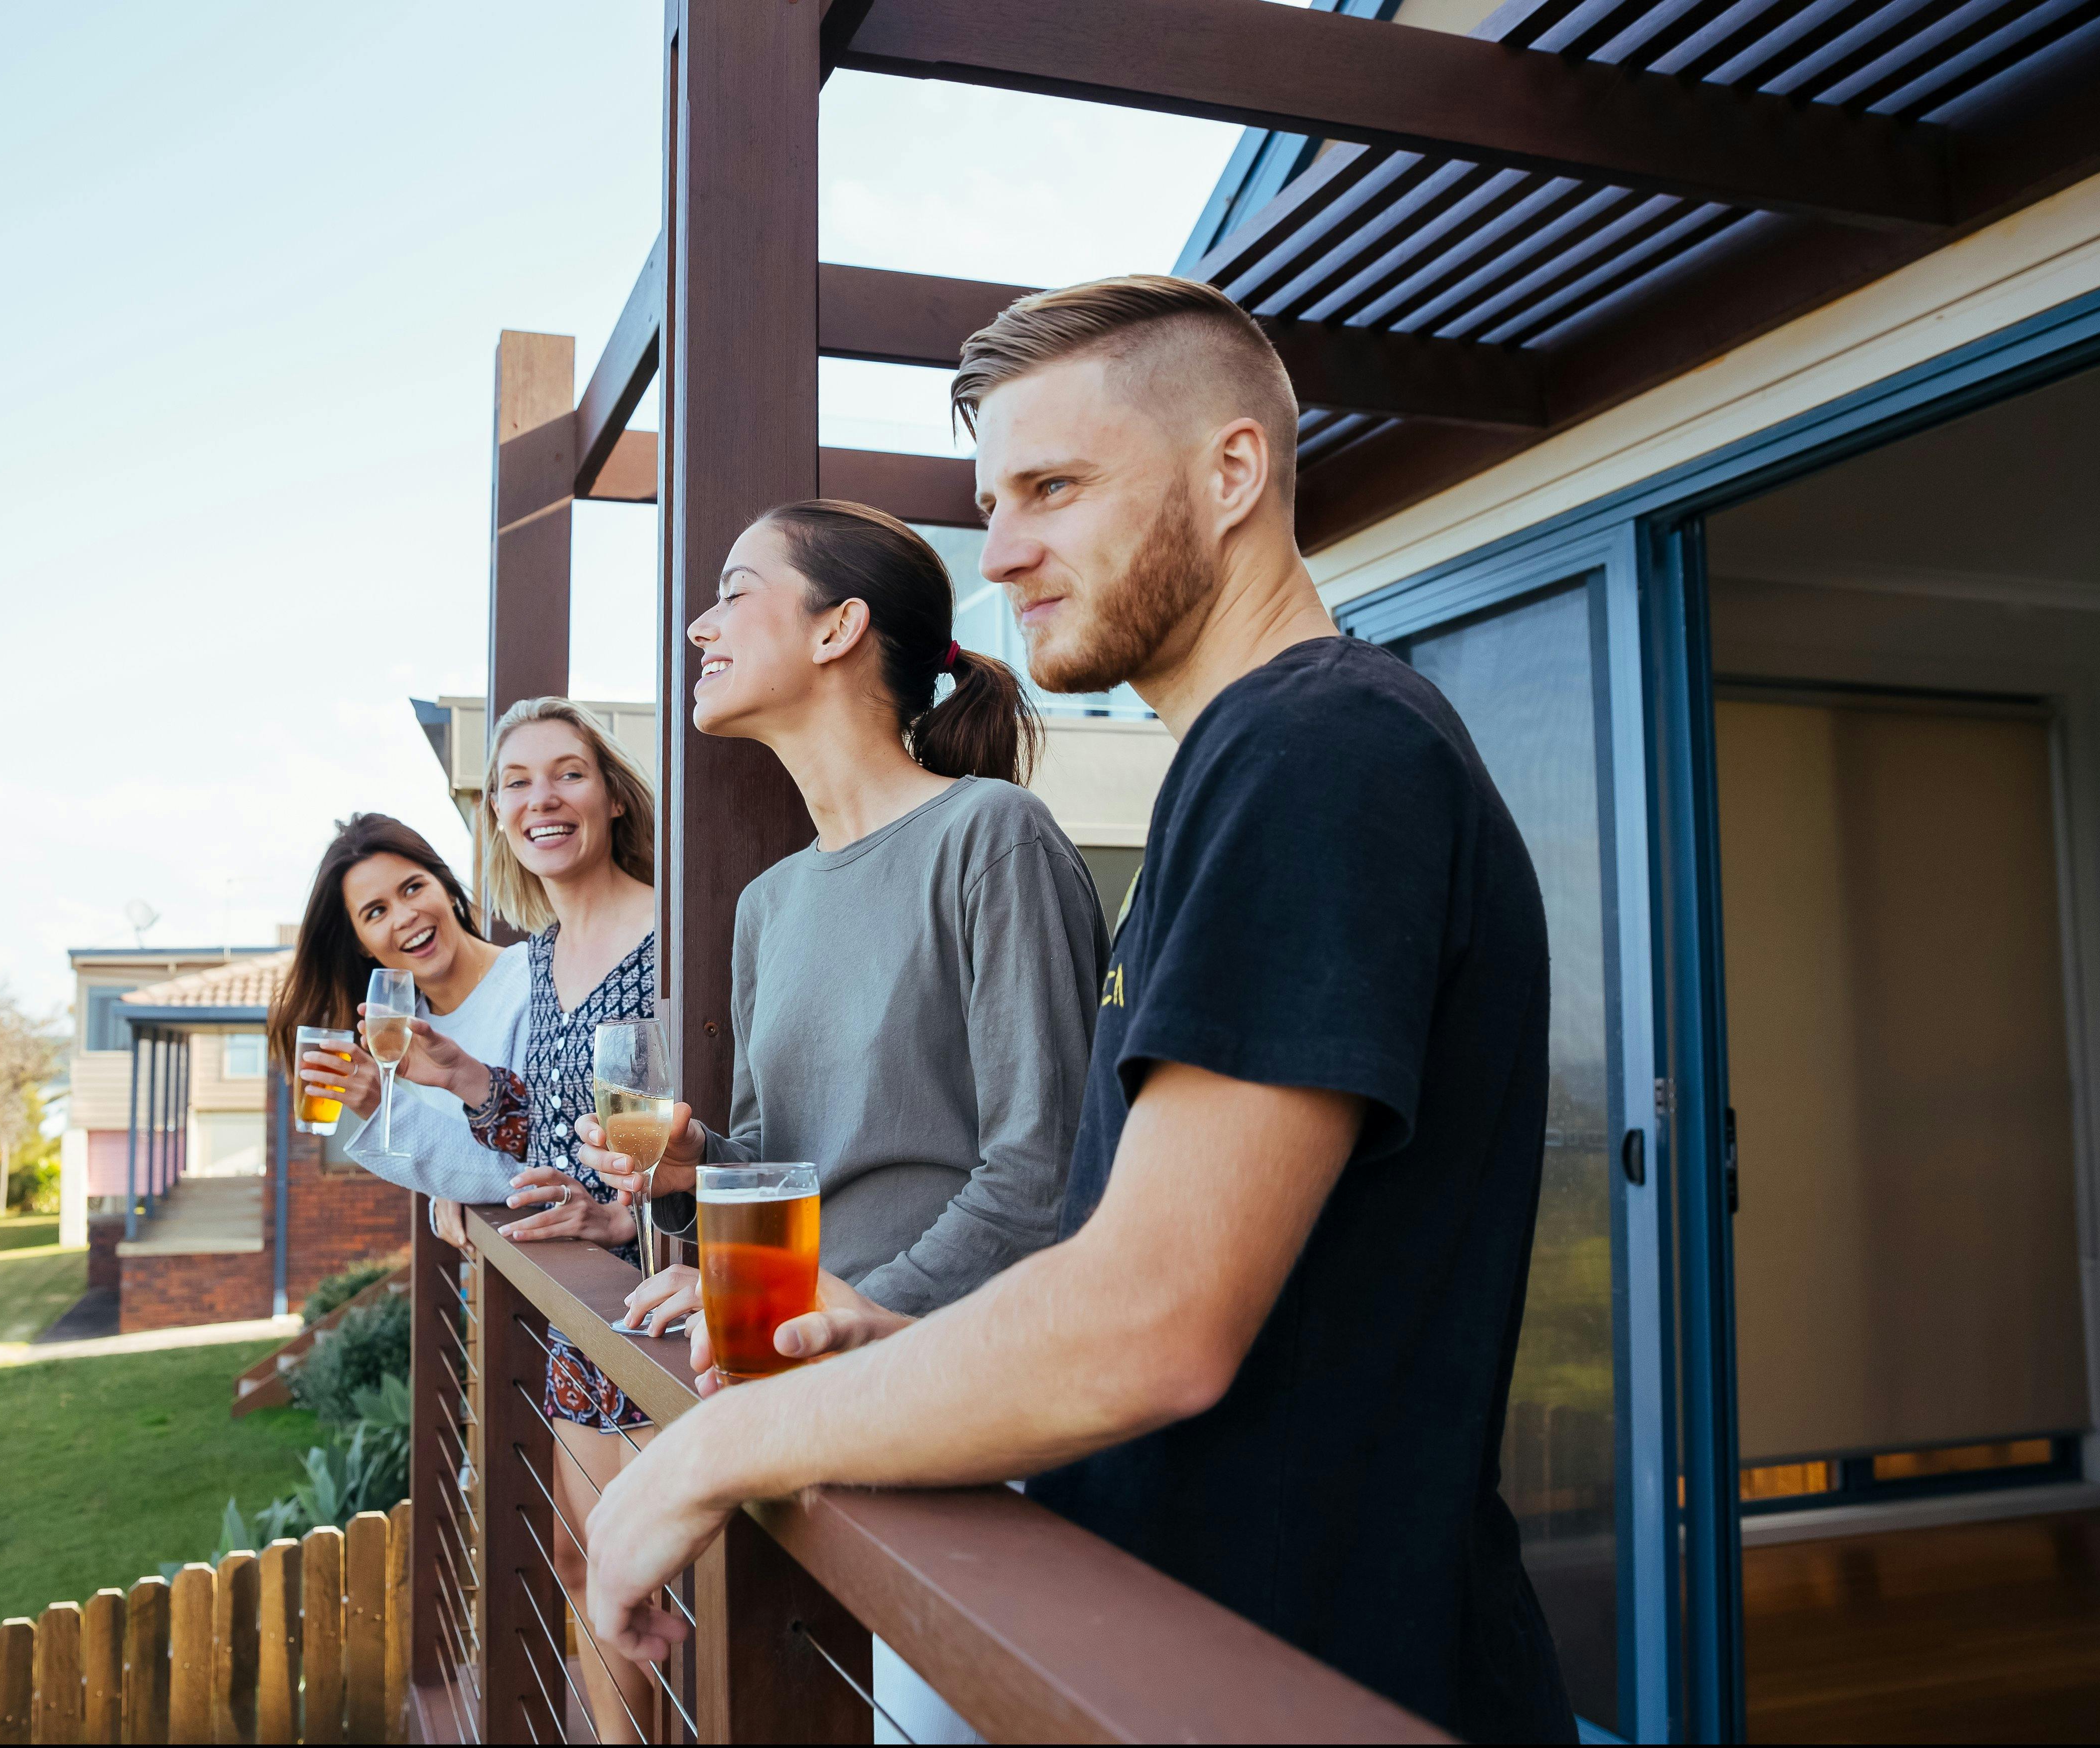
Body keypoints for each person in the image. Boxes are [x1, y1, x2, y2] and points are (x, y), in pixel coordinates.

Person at [581, 276, 1577, 1743]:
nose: (1007, 551)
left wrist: (710, 1450)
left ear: (1233, 470)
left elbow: (1154, 1316)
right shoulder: (1248, 765)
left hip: (1303, 1680)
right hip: (1178, 1648)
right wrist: (879, 1330)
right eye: (995, 501)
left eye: (1053, 487)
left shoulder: (1320, 752)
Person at [588, 499, 1106, 1342]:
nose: (698, 627)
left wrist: (837, 1316)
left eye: (734, 595)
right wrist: (697, 1169)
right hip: (800, 1357)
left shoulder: (994, 836)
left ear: (837, 630)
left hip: (942, 1370)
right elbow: (781, 1163)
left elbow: (1039, 1174)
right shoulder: (769, 902)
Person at [385, 694, 662, 1745]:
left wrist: (617, 1219)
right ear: (495, 814)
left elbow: (693, 1134)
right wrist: (462, 1078)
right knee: (584, 1562)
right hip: (572, 1321)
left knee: (647, 1588)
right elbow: (552, 1131)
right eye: (516, 782)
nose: (541, 798)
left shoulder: (667, 933)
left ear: (611, 798)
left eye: (566, 773)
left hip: (657, 1314)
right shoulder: (541, 957)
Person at [265, 813, 526, 1249]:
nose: (405, 916)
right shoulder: (398, 1032)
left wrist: (382, 1106)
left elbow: (528, 1168)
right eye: (376, 911)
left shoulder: (531, 982)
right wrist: (448, 1186)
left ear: (443, 884)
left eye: (413, 887)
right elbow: (464, 1159)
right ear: (361, 942)